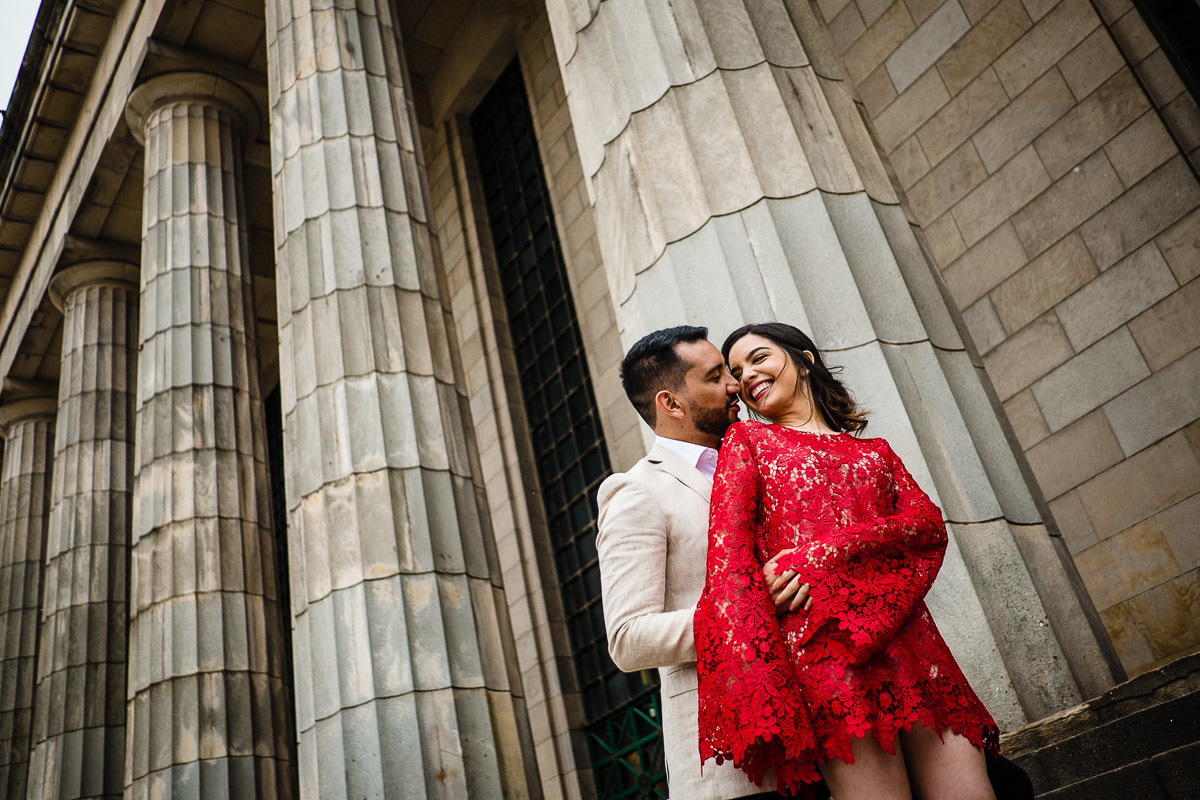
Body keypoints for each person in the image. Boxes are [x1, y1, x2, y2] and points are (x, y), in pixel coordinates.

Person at [694, 322, 1001, 800]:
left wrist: (818, 558)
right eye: (735, 371)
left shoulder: (876, 453)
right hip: (825, 657)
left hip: (914, 648)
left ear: (805, 359)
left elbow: (926, 527)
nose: (745, 376)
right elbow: (728, 563)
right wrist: (759, 670)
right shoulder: (747, 444)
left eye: (758, 358)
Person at [596, 326, 821, 799]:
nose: (736, 385)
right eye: (717, 375)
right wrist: (751, 608)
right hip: (734, 768)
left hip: (826, 728)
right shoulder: (637, 492)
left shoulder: (764, 457)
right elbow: (628, 638)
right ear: (671, 403)